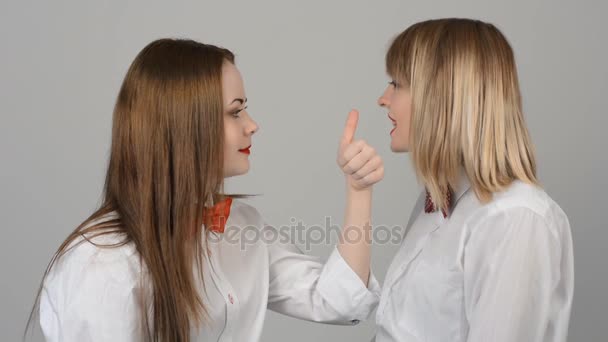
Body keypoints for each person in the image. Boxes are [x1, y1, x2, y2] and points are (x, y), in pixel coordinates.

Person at [27, 38, 383, 342]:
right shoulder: (101, 266)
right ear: (184, 126)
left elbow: (340, 301)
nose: (253, 125)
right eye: (235, 112)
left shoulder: (241, 226)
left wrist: (358, 190)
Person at [373, 18, 573, 341]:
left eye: (397, 83)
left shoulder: (515, 217)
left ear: (441, 97)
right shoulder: (440, 197)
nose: (383, 98)